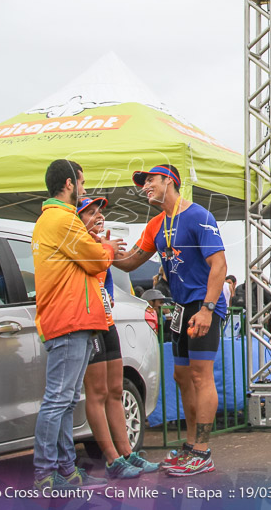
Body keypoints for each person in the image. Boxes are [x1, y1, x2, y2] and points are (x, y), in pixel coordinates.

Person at [113, 164, 227, 477]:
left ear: (169, 181)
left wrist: (207, 308)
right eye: (143, 183)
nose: (145, 187)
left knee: (201, 376)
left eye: (150, 181)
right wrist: (103, 251)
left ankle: (203, 452)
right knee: (182, 376)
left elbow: (219, 265)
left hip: (204, 304)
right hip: (180, 307)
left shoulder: (198, 216)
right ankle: (191, 447)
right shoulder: (155, 225)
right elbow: (131, 261)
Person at [31, 159, 124, 492]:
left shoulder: (54, 220)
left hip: (73, 320)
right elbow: (96, 259)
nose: (84, 190)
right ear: (69, 184)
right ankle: (45, 472)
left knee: (66, 399)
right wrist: (108, 248)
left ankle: (66, 469)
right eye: (82, 183)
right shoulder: (62, 219)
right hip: (69, 320)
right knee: (59, 399)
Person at [77, 196, 158, 479]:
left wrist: (108, 295)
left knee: (115, 390)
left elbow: (106, 281)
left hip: (107, 321)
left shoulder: (100, 245)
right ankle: (111, 459)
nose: (98, 216)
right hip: (89, 324)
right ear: (76, 218)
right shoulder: (78, 245)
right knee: (97, 392)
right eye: (90, 212)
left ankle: (127, 454)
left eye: (99, 211)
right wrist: (105, 250)